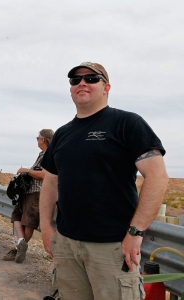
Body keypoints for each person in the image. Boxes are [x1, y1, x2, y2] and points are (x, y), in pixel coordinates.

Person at [39, 62, 169, 299]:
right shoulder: (62, 134)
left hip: (113, 247)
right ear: (70, 89)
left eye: (91, 78)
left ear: (106, 87)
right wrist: (46, 227)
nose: (82, 83)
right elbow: (50, 182)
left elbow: (157, 177)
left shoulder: (127, 123)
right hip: (67, 245)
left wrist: (135, 232)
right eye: (75, 80)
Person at [3, 129, 54, 263]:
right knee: (17, 216)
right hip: (28, 192)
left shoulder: (49, 155)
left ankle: (18, 248)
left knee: (28, 222)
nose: (37, 140)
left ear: (43, 140)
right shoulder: (42, 154)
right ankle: (20, 243)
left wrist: (25, 170)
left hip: (37, 193)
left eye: (38, 138)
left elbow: (44, 175)